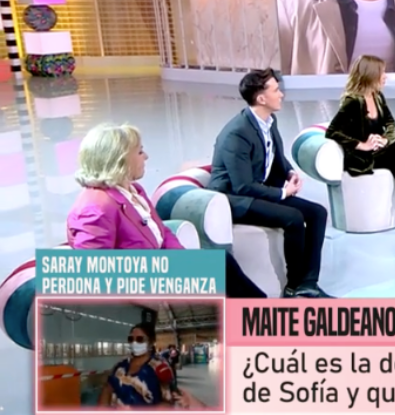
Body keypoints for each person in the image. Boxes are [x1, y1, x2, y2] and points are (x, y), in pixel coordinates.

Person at [66, 123, 266, 298]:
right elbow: (94, 274)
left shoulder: (133, 190)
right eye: (140, 152)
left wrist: (181, 262)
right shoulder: (95, 207)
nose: (146, 156)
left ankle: (259, 315)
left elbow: (161, 232)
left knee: (221, 262)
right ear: (120, 160)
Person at [209, 70, 332, 298]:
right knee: (293, 218)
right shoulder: (237, 133)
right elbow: (242, 186)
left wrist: (289, 172)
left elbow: (275, 155)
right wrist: (283, 192)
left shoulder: (268, 121)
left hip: (257, 188)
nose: (281, 94)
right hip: (235, 199)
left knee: (317, 213)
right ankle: (294, 285)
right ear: (261, 98)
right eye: (276, 90)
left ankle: (308, 283)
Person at [325, 55, 395, 227]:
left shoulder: (377, 97)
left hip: (378, 152)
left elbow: (391, 124)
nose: (385, 76)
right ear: (370, 75)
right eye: (382, 72)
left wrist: (385, 139)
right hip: (361, 158)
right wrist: (362, 145)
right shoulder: (353, 102)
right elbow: (332, 132)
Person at [97, 323, 180, 409]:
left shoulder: (160, 367)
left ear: (151, 341)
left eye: (140, 339)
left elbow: (168, 403)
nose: (134, 342)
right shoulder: (121, 366)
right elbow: (108, 388)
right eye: (131, 339)